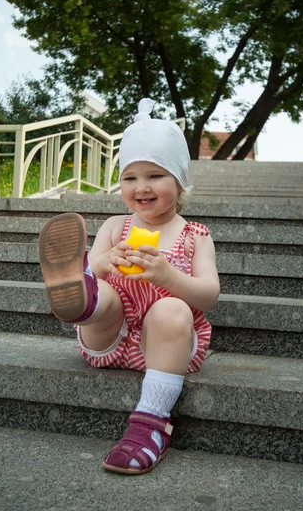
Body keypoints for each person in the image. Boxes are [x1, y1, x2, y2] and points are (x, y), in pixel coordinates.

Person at [38, 98, 220, 475]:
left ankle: (151, 423)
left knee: (172, 309)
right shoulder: (114, 227)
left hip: (165, 345)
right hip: (110, 335)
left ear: (180, 182)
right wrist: (103, 263)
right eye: (130, 177)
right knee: (102, 290)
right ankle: (80, 303)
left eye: (155, 175)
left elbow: (210, 295)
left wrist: (169, 277)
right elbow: (102, 269)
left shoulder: (194, 236)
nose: (142, 187)